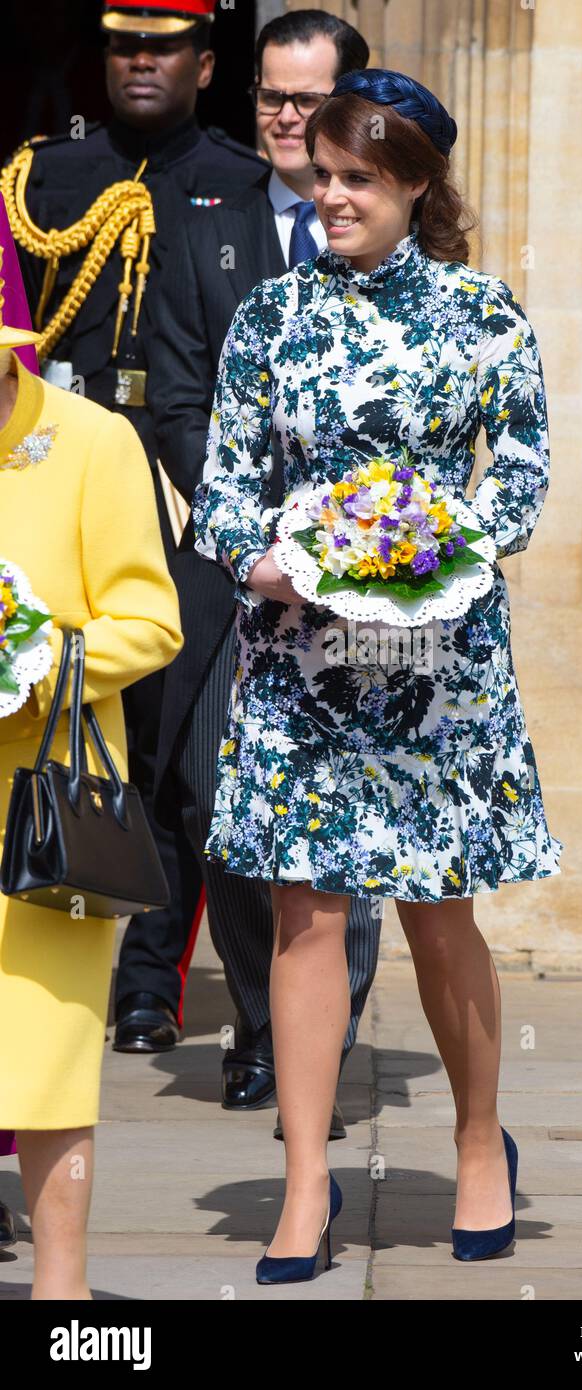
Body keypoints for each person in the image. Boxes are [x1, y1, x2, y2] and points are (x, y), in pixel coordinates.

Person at [193, 69, 564, 1283]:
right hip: (302, 659)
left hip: (435, 658)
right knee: (304, 911)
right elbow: (227, 489)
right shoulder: (272, 318)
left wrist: (429, 541)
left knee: (437, 908)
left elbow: (517, 478)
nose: (332, 193)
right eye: (323, 174)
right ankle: (306, 1179)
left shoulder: (482, 314)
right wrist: (269, 561)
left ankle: (473, 1143)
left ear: (414, 182)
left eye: (360, 177)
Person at [2, 0, 269, 1058]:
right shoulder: (44, 181)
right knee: (62, 721)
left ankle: (159, 983)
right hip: (60, 470)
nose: (141, 63)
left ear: (206, 64)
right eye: (125, 45)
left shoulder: (246, 184)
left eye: (163, 47)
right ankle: (101, 980)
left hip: (183, 483)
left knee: (180, 758)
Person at [146, 8, 381, 1131]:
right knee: (214, 798)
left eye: (307, 98)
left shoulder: (387, 224)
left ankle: (319, 1038)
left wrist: (349, 534)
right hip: (231, 569)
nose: (286, 119)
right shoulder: (204, 221)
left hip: (370, 583)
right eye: (271, 98)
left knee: (350, 809)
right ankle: (262, 1024)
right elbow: (179, 396)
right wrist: (259, 532)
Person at [0, 214, 183, 1299]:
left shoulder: (92, 440)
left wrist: (35, 656)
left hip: (48, 794)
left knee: (50, 1052)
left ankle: (63, 1294)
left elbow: (149, 622)